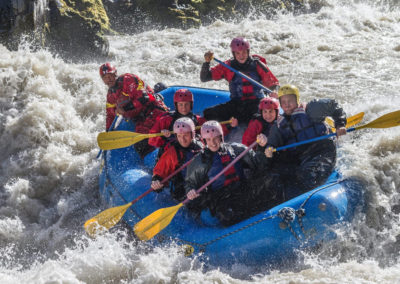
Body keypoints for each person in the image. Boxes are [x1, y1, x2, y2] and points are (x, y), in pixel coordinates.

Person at [259, 84, 347, 202]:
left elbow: (333, 106)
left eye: (290, 100)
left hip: (322, 149)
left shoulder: (311, 109)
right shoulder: (279, 125)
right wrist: (268, 149)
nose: (287, 104)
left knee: (308, 176)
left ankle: (315, 200)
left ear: (297, 99)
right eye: (283, 101)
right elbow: (272, 144)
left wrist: (340, 124)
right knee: (274, 175)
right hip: (303, 157)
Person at [184, 121, 267, 226]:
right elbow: (190, 183)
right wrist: (190, 190)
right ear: (204, 141)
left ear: (221, 137)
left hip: (242, 189)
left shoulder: (236, 149)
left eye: (215, 138)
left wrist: (263, 147)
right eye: (209, 140)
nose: (213, 143)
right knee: (228, 215)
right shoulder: (200, 161)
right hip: (220, 198)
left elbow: (258, 163)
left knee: (270, 181)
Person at [200, 37, 280, 124]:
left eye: (244, 52)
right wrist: (207, 62)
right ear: (233, 54)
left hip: (256, 103)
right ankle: (231, 125)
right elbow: (205, 77)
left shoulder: (258, 65)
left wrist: (274, 92)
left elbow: (273, 84)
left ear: (248, 52)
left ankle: (242, 122)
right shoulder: (227, 66)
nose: (241, 56)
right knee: (208, 113)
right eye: (238, 53)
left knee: (259, 118)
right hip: (236, 104)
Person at [99, 62, 169, 158]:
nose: (109, 79)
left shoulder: (127, 80)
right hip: (141, 119)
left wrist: (125, 108)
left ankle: (166, 155)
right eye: (105, 77)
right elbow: (110, 115)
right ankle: (156, 161)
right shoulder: (110, 95)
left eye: (110, 75)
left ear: (115, 73)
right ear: (103, 80)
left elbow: (144, 98)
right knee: (140, 146)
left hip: (154, 110)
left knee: (157, 134)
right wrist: (108, 134)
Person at [148, 88, 238, 158]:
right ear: (176, 105)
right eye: (181, 105)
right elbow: (152, 140)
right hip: (170, 154)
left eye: (186, 104)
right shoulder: (166, 120)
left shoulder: (197, 120)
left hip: (191, 154)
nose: (184, 108)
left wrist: (229, 126)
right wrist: (162, 136)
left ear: (191, 105)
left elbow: (212, 130)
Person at [151, 118, 203, 201]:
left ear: (192, 134)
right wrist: (157, 181)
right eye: (179, 136)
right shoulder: (173, 152)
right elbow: (160, 171)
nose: (182, 140)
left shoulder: (202, 144)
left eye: (185, 135)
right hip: (183, 189)